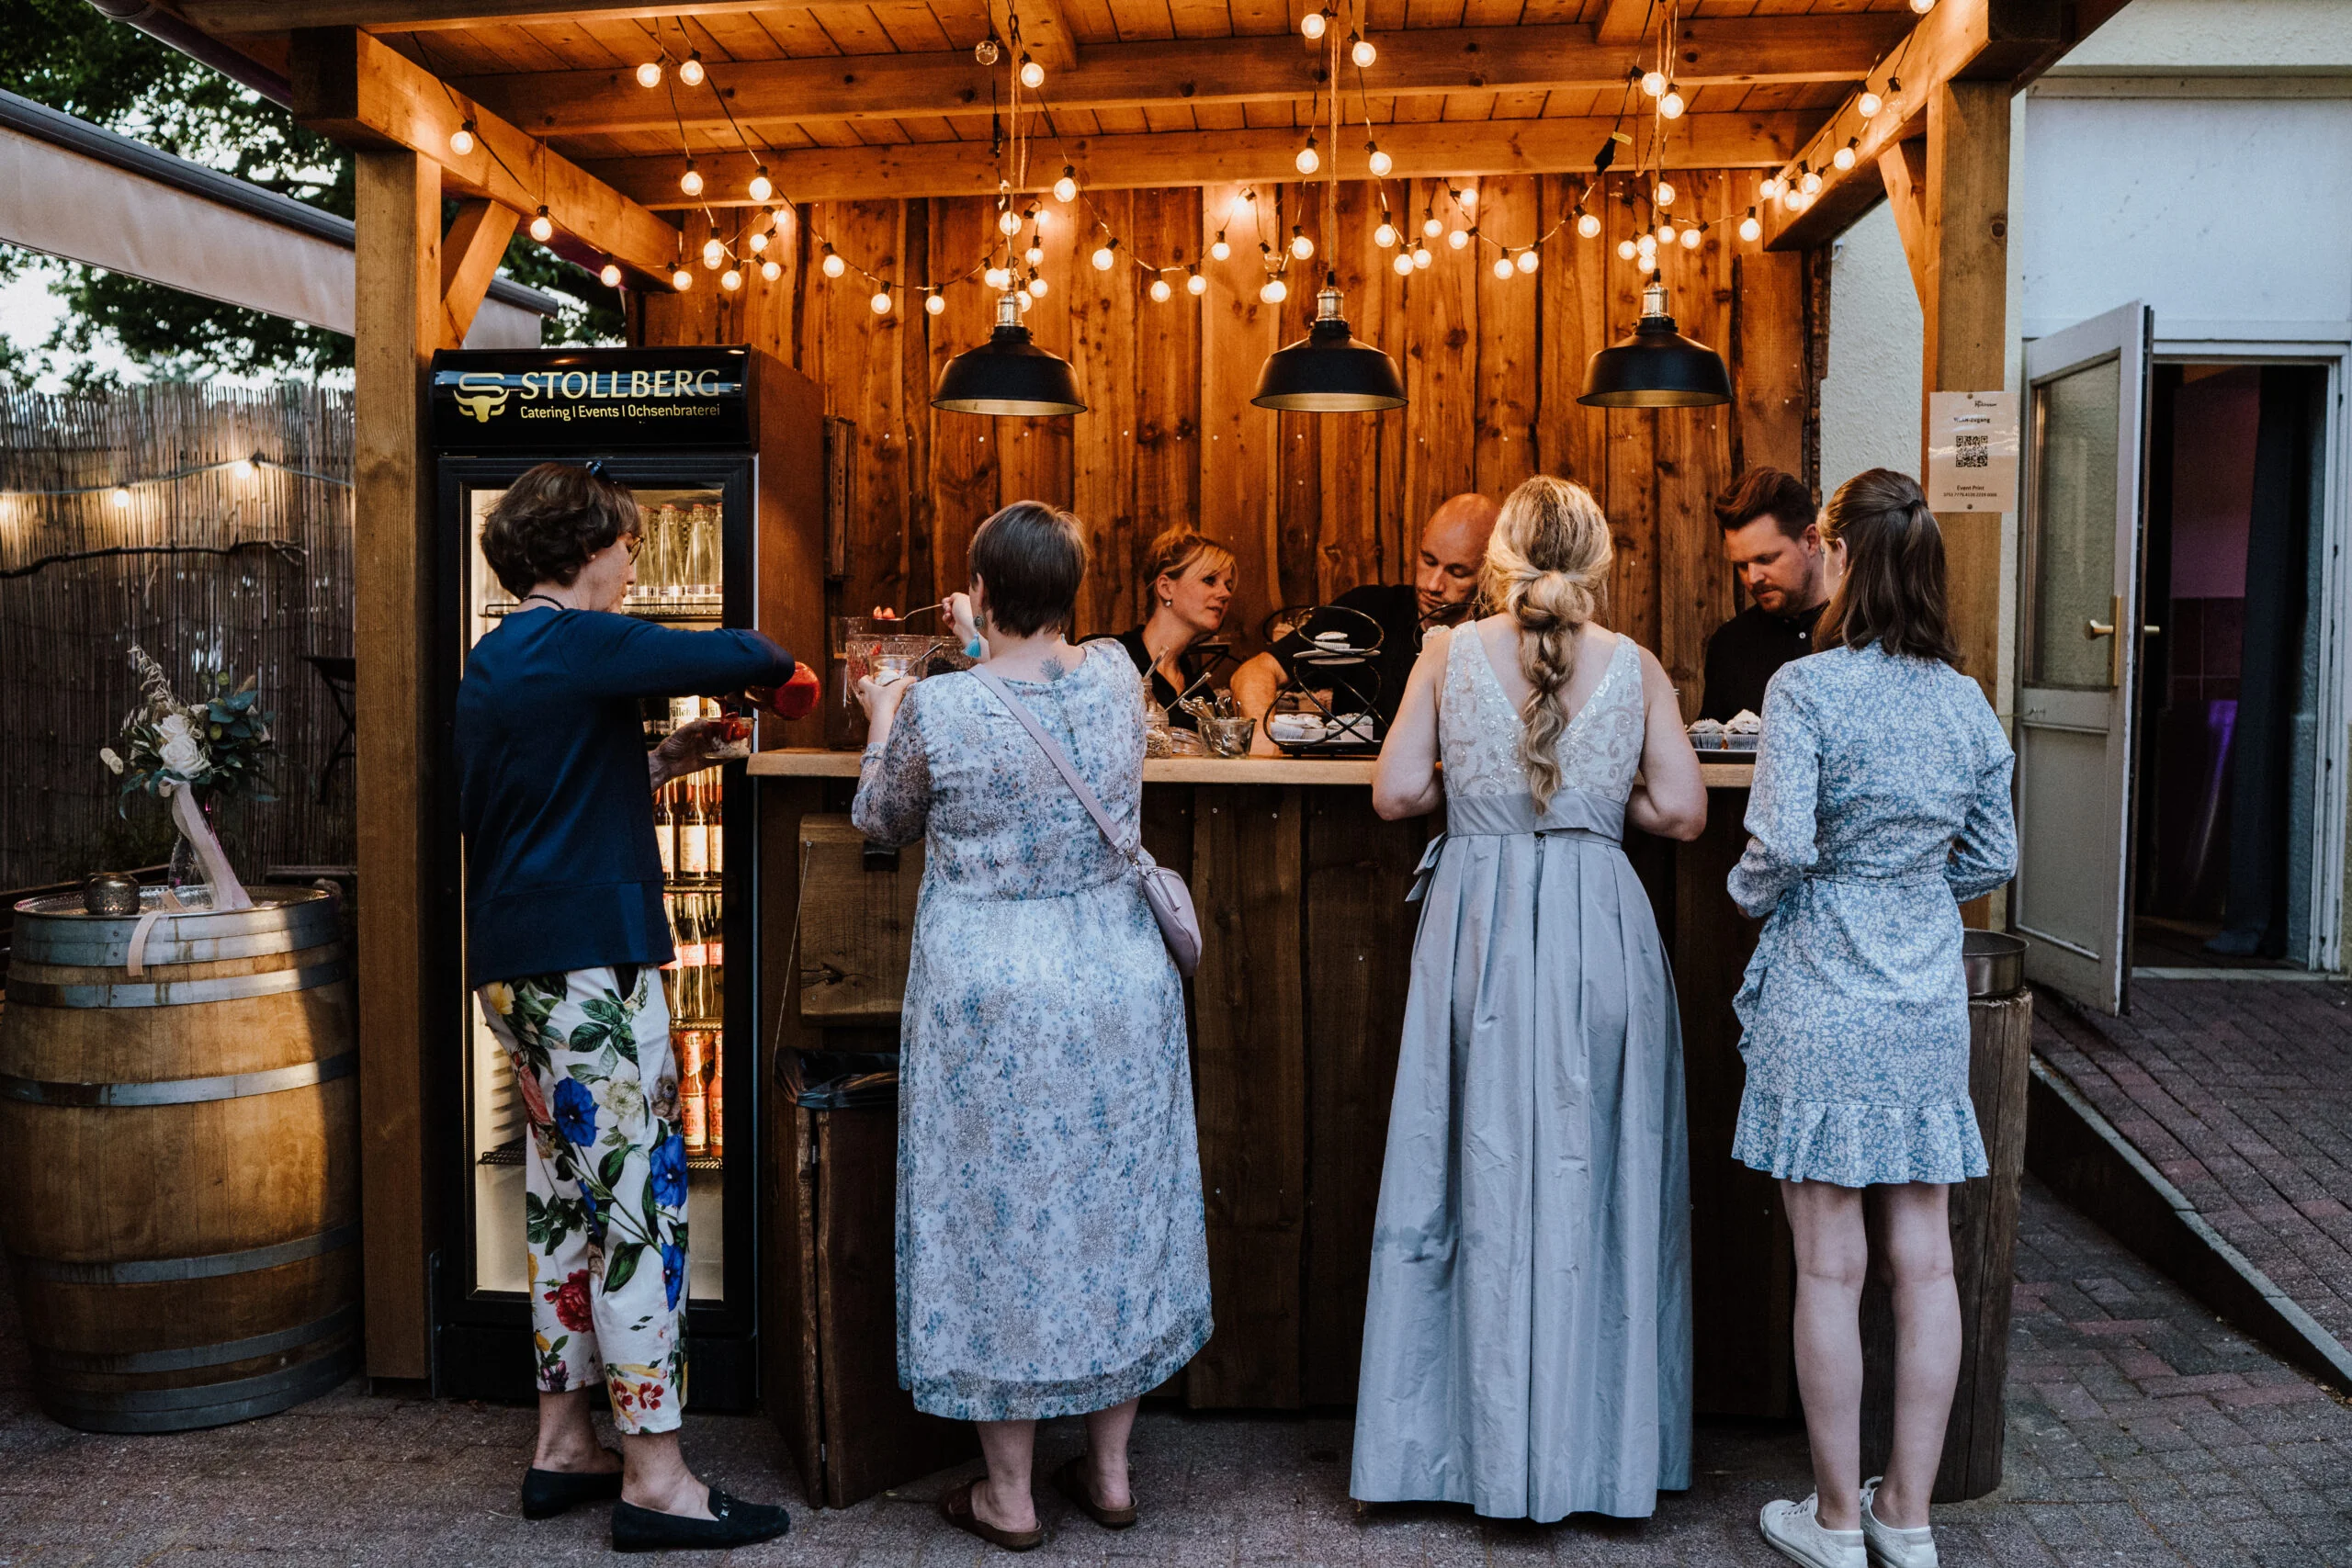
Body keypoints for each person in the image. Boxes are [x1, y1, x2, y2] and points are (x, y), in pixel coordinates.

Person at [456, 461, 810, 1553]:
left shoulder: (496, 659)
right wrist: (787, 681)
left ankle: (564, 1445)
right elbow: (745, 655)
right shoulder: (577, 637)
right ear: (584, 550)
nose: (631, 562)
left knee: (563, 1205)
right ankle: (655, 1478)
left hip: (516, 965)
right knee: (637, 1215)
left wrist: (661, 758)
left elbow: (529, 812)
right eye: (625, 545)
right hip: (590, 973)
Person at [851, 501, 1213, 1553]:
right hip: (1115, 983)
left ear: (979, 587)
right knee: (1112, 1214)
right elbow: (1032, 679)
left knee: (993, 1224)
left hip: (991, 999)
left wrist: (883, 710)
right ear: (1074, 589)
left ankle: (1007, 1494)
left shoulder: (938, 712)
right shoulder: (1110, 676)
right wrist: (981, 642)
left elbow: (882, 817)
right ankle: (1106, 1473)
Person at [1351, 475, 1707, 1523]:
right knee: (1598, 1183)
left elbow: (1393, 793)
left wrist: (1479, 793)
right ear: (1597, 563)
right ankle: (1592, 1458)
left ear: (1500, 560)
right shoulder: (1633, 665)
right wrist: (1601, 802)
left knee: (1465, 1174)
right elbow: (1682, 812)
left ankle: (1456, 1457)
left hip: (1479, 927)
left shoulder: (1445, 655)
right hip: (1600, 927)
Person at [1729, 468, 2018, 1568]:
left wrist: (1751, 898)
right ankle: (1909, 1516)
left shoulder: (1809, 689)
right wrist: (1905, 891)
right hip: (1921, 998)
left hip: (1822, 986)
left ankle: (1835, 1522)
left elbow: (1782, 847)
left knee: (1830, 1269)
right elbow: (1991, 857)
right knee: (1926, 1263)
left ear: (1842, 558)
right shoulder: (1965, 699)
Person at [1229, 491, 1499, 749]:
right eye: (1428, 561)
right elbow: (1254, 672)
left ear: (1490, 570)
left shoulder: (1499, 633)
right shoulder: (1366, 611)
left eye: (1457, 572)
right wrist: (1266, 745)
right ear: (1422, 541)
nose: (1433, 584)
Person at [1700, 468, 1830, 723]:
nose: (1753, 577)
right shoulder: (1729, 645)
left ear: (1811, 540)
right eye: (1741, 565)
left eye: (1766, 559)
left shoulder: (1862, 632)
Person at [1093, 526, 1238, 728]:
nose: (1225, 594)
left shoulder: (1202, 697)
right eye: (1210, 580)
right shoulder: (1106, 659)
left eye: (1228, 586)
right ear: (1166, 588)